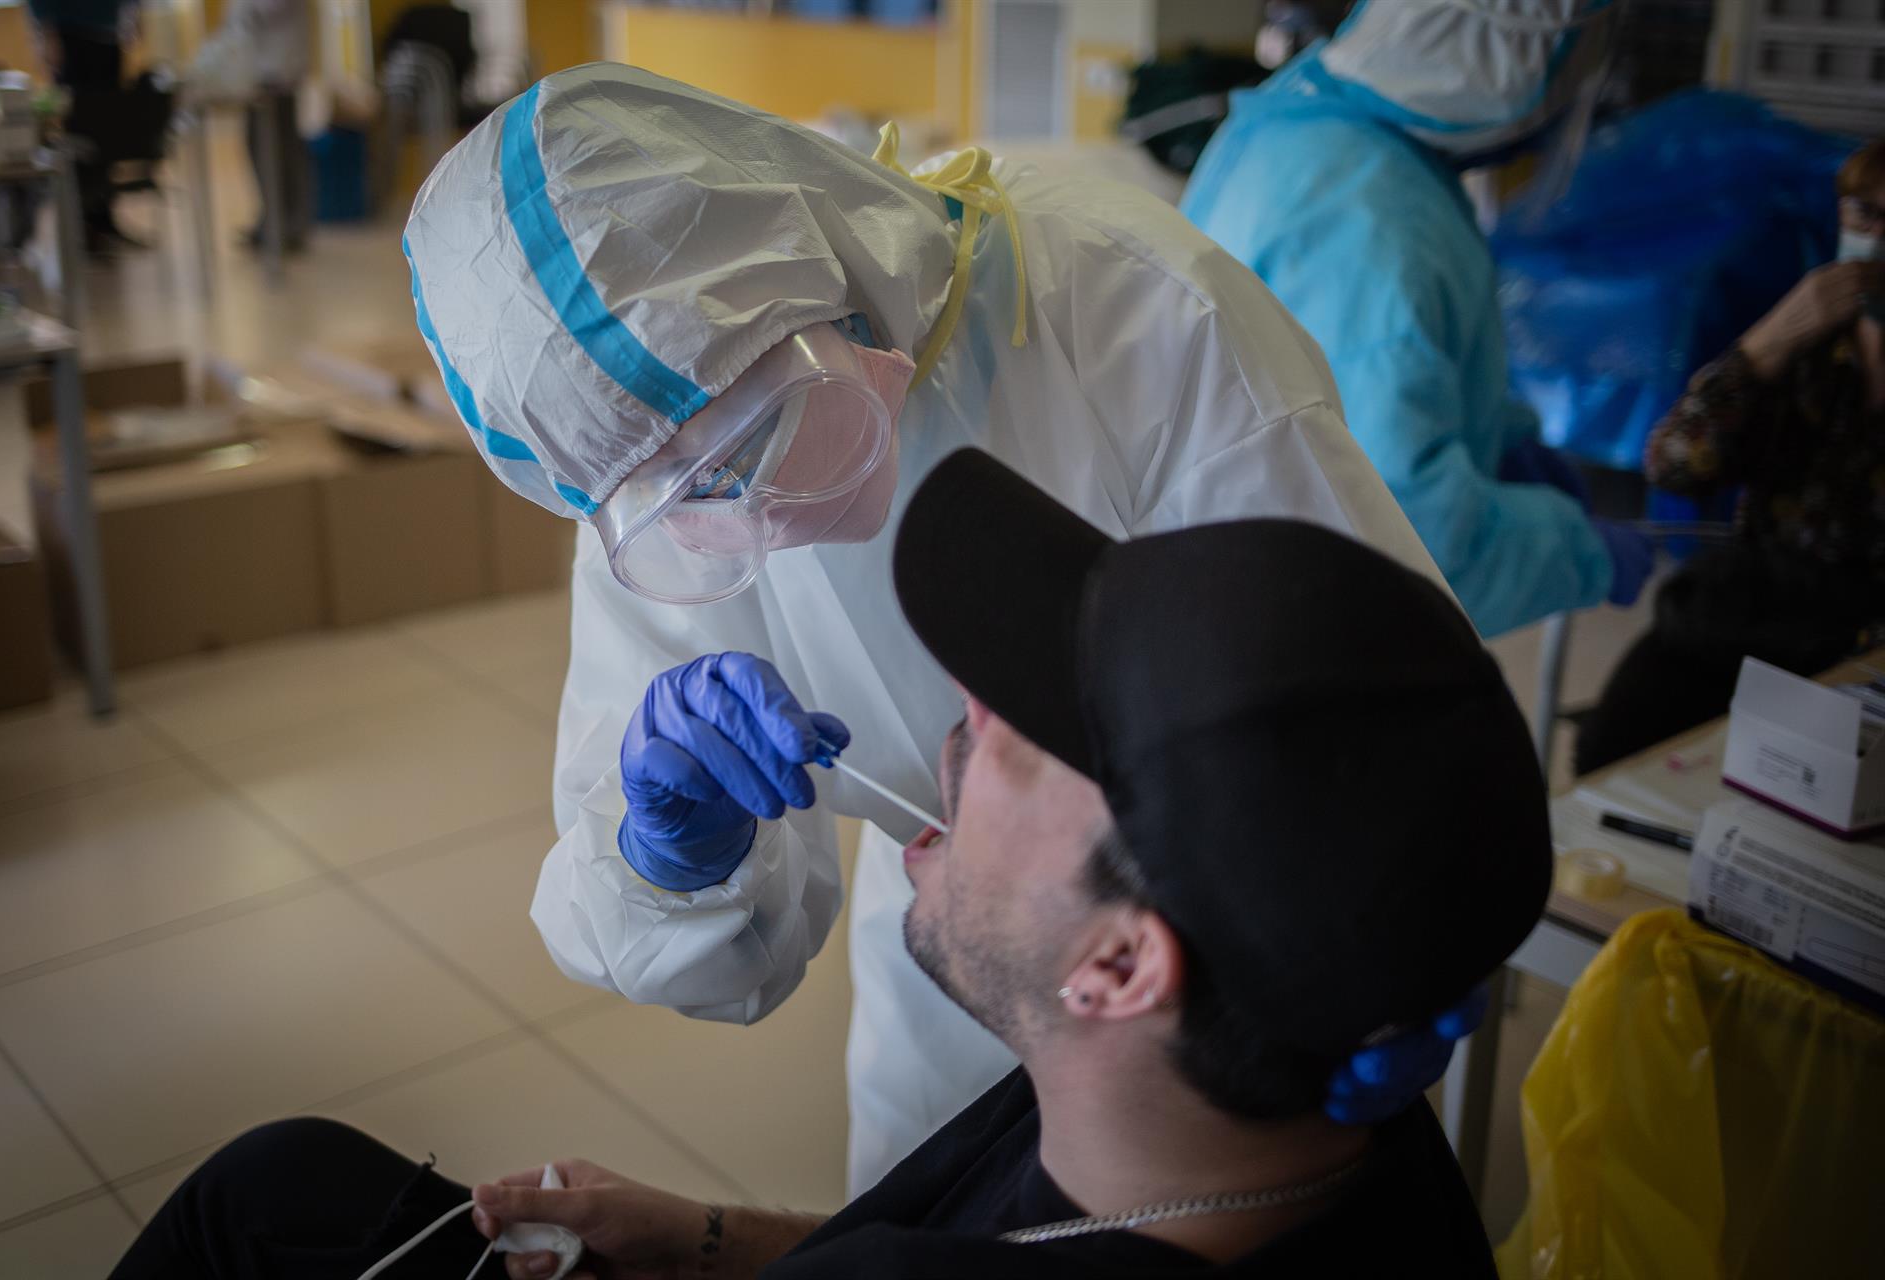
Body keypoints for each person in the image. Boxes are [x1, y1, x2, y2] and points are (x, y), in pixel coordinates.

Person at [401, 62, 1484, 1194]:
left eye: (768, 424)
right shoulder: (645, 459)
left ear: (807, 259)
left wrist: (1388, 938)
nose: (742, 502)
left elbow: (1374, 690)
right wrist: (672, 855)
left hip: (1227, 977)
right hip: (961, 940)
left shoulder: (1135, 314)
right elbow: (720, 954)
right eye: (682, 498)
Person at [109, 448, 1552, 1280]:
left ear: (1122, 962)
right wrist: (709, 1237)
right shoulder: (1338, 1127)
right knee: (291, 1184)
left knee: (258, 1204)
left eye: (1023, 732)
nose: (961, 714)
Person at [1179, 0, 1656, 639]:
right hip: (1300, 626)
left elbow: (1390, 371)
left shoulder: (1307, 129)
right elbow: (1406, 535)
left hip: (1233, 574)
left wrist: (1502, 437)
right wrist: (1573, 551)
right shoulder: (1378, 220)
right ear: (1515, 60)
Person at [1573, 140, 1885, 773]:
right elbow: (1675, 465)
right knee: (1614, 743)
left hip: (1860, 643)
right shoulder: (1812, 351)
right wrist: (1766, 345)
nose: (1876, 242)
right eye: (1864, 214)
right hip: (1754, 610)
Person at [26, 0, 138, 252]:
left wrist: (132, 12)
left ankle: (104, 218)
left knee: (108, 131)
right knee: (79, 130)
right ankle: (83, 226)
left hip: (109, 33)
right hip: (70, 33)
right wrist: (45, 32)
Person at [215, 0, 313, 253]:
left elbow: (269, 8)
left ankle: (287, 227)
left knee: (280, 153)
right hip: (263, 71)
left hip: (277, 72)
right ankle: (273, 221)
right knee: (262, 151)